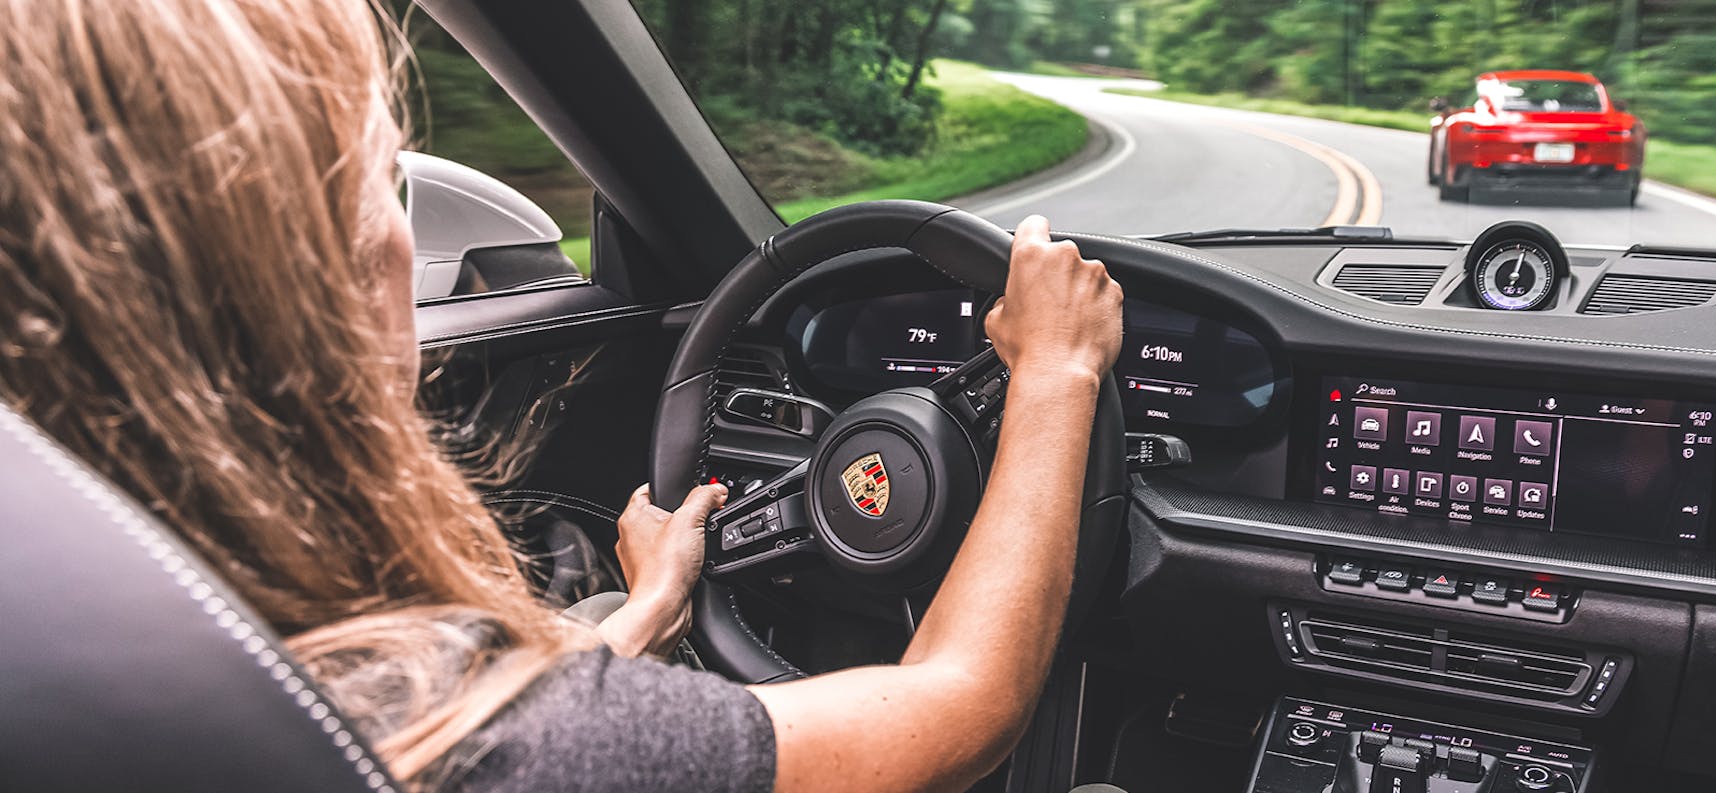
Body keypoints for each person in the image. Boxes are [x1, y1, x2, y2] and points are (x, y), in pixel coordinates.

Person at [0, 1, 1124, 791]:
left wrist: (648, 607)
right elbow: (960, 710)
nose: (399, 220)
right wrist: (1056, 371)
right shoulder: (468, 740)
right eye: (376, 176)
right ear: (308, 273)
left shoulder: (109, 660)